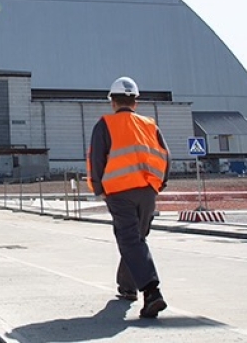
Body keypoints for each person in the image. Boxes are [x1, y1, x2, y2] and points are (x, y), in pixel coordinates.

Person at [87, 76, 170, 319]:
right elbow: (166, 156)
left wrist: (98, 188)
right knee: (136, 239)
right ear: (135, 102)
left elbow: (96, 160)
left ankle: (152, 292)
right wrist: (158, 185)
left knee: (131, 240)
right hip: (147, 191)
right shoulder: (150, 125)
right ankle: (127, 287)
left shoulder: (105, 125)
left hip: (119, 192)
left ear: (113, 102)